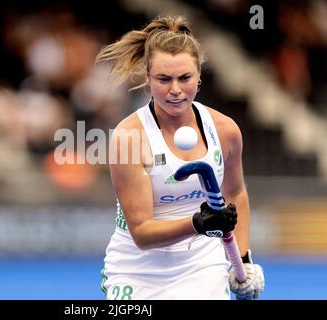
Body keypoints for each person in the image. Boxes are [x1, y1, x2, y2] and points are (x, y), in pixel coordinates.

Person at [97, 15, 264, 300]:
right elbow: (142, 232)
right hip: (137, 269)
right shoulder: (128, 138)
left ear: (199, 76)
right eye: (164, 79)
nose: (175, 89)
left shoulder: (225, 130)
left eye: (185, 78)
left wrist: (244, 261)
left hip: (202, 265)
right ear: (148, 78)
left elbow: (235, 192)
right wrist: (198, 223)